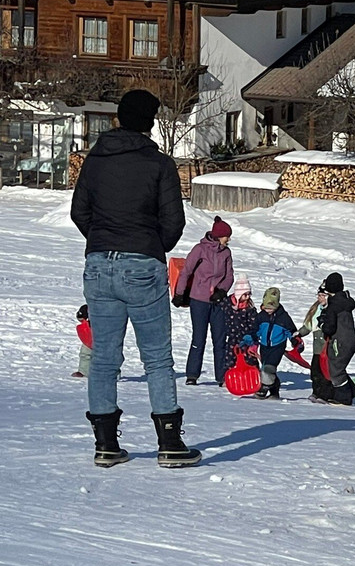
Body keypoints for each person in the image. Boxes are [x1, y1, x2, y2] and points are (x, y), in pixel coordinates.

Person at [70, 88, 200, 468]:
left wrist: (102, 240)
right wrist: (148, 244)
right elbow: (174, 221)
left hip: (99, 264)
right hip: (142, 263)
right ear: (149, 122)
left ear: (119, 118)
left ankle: (106, 445)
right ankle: (170, 444)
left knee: (104, 358)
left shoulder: (95, 160)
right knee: (157, 358)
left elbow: (80, 212)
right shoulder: (159, 164)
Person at [174, 216, 234, 386]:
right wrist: (179, 294)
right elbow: (186, 271)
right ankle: (192, 375)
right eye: (226, 236)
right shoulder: (199, 250)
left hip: (218, 301)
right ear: (218, 236)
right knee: (198, 338)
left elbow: (229, 275)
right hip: (198, 300)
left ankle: (221, 376)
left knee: (220, 339)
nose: (228, 239)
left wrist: (222, 291)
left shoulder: (226, 253)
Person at [253, 287, 302, 399]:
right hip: (264, 346)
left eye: (271, 308)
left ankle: (264, 388)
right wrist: (250, 338)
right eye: (266, 307)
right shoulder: (261, 316)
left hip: (277, 347)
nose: (268, 310)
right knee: (265, 367)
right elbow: (254, 329)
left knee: (269, 368)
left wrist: (295, 341)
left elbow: (292, 331)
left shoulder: (283, 317)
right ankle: (274, 391)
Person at [317, 273, 355, 406]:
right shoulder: (345, 301)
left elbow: (329, 328)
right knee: (339, 367)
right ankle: (352, 390)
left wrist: (322, 323)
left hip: (339, 341)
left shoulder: (333, 305)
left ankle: (343, 398)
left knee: (336, 369)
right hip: (350, 340)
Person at [297, 293, 331, 403]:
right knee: (315, 371)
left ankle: (325, 394)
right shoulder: (316, 309)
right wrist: (299, 334)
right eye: (319, 295)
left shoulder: (331, 308)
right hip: (317, 349)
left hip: (327, 349)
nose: (320, 298)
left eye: (323, 295)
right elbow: (309, 326)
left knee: (324, 372)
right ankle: (316, 392)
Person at [223, 274, 258, 372]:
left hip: (246, 338)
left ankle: (253, 373)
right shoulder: (227, 304)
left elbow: (254, 323)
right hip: (232, 337)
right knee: (230, 357)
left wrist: (252, 336)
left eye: (249, 294)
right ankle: (229, 374)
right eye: (245, 294)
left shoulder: (250, 308)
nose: (247, 297)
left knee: (249, 358)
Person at [72, 303, 92, 378]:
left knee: (109, 356)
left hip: (104, 339)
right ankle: (84, 371)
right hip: (89, 339)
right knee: (85, 354)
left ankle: (113, 374)